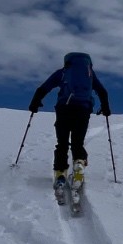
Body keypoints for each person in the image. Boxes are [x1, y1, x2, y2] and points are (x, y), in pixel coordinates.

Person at [29, 52, 110, 186]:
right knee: (78, 142)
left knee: (62, 143)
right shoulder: (90, 74)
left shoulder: (62, 72)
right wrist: (106, 109)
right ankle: (79, 164)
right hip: (83, 110)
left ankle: (60, 173)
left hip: (64, 109)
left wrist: (34, 104)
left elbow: (43, 88)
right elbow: (103, 91)